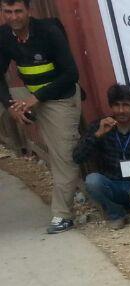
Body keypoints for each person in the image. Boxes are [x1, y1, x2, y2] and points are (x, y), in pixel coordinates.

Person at [0, 0, 81, 234]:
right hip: (29, 93)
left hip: (58, 95)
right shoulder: (5, 35)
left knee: (64, 154)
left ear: (28, 11)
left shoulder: (48, 32)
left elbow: (71, 74)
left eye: (18, 11)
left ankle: (63, 215)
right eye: (7, 12)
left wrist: (36, 99)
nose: (13, 17)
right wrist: (11, 106)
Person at [72, 83, 130, 229]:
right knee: (92, 181)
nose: (121, 110)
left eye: (126, 105)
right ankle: (116, 214)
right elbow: (78, 157)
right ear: (111, 106)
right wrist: (97, 135)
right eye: (116, 105)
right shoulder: (99, 126)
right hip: (113, 184)